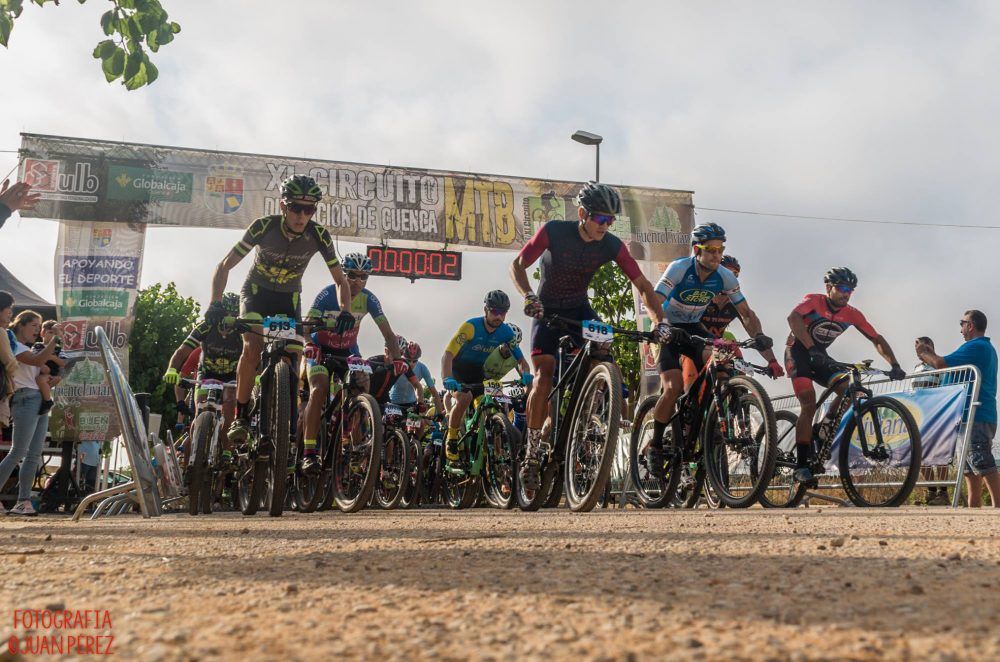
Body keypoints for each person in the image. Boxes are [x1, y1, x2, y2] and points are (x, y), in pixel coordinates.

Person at [509, 182, 669, 489]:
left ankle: (589, 407)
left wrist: (659, 322)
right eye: (601, 219)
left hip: (580, 310)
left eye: (612, 221)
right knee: (544, 376)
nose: (606, 226)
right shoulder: (555, 231)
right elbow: (517, 265)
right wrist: (529, 297)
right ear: (582, 214)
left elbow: (644, 286)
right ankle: (531, 451)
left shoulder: (610, 244)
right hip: (548, 310)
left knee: (605, 344)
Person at [208, 174, 353, 443]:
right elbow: (224, 265)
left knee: (295, 354)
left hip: (289, 300)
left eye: (308, 209)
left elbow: (340, 280)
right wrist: (215, 304)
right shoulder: (263, 227)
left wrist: (346, 309)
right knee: (252, 345)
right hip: (255, 294)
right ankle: (240, 416)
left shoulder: (318, 234)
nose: (301, 215)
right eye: (296, 207)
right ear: (283, 206)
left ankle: (285, 424)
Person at [646, 226, 783, 474]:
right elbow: (654, 299)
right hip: (668, 327)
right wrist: (660, 325)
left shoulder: (725, 277)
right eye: (711, 250)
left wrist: (760, 337)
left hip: (693, 328)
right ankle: (655, 444)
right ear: (697, 250)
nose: (717, 255)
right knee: (672, 387)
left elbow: (747, 314)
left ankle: (707, 418)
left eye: (721, 250)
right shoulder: (680, 268)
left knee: (722, 362)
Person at [786, 268, 906, 485]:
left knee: (849, 389)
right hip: (798, 353)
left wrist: (894, 364)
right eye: (841, 288)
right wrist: (811, 347)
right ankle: (801, 465)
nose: (846, 294)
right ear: (829, 288)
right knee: (809, 403)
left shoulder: (852, 314)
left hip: (819, 355)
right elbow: (793, 317)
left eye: (850, 290)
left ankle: (825, 426)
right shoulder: (814, 301)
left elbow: (876, 338)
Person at [300, 252, 407, 474]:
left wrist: (397, 360)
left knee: (362, 386)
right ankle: (309, 453)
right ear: (343, 274)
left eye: (363, 276)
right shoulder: (328, 294)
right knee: (319, 388)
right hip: (321, 348)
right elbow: (306, 326)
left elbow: (388, 333)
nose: (358, 281)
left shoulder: (369, 299)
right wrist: (309, 343)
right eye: (352, 275)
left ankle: (350, 437)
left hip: (348, 350)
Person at [916, 310, 999, 507]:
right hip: (968, 415)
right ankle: (973, 510)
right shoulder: (980, 347)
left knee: (982, 463)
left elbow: (940, 364)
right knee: (969, 469)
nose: (960, 328)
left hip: (976, 414)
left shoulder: (977, 346)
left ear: (970, 325)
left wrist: (924, 353)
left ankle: (998, 510)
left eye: (962, 323)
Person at [441, 291, 532, 465]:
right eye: (495, 312)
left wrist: (525, 374)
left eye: (503, 312)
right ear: (486, 310)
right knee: (465, 397)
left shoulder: (506, 332)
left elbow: (521, 361)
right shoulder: (470, 327)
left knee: (488, 404)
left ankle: (484, 446)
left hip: (477, 372)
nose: (499, 316)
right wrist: (447, 377)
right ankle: (451, 439)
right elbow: (447, 354)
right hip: (458, 370)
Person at [162, 293, 243, 464]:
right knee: (199, 413)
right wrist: (171, 369)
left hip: (231, 375)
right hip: (207, 373)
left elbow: (253, 356)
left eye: (234, 318)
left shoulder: (242, 331)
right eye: (225, 318)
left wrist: (256, 375)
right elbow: (181, 351)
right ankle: (190, 462)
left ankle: (226, 445)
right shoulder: (205, 326)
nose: (227, 325)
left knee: (229, 400)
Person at [0, 311, 60, 516]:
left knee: (33, 454)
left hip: (37, 398)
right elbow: (36, 362)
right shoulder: (13, 344)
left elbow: (41, 367)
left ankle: (23, 500)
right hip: (25, 398)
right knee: (18, 451)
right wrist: (55, 340)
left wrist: (53, 377)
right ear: (22, 325)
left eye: (39, 325)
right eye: (34, 325)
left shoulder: (30, 348)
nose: (37, 329)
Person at [912, 336, 949, 505]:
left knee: (940, 455)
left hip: (937, 415)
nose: (918, 349)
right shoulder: (915, 368)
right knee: (921, 454)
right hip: (920, 417)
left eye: (922, 346)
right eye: (916, 347)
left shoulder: (938, 364)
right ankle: (931, 491)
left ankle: (943, 492)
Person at [388, 339, 445, 419]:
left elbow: (434, 393)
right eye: (408, 360)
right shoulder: (398, 365)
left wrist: (439, 414)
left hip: (411, 403)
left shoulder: (422, 368)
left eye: (414, 361)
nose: (411, 364)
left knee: (420, 424)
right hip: (393, 402)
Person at [33, 320, 66, 415]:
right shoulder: (38, 346)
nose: (52, 336)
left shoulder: (58, 348)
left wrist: (52, 357)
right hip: (39, 372)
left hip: (52, 374)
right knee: (40, 380)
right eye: (50, 332)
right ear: (42, 333)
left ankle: (48, 401)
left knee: (41, 380)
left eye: (55, 333)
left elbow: (63, 363)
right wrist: (42, 364)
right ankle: (46, 400)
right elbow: (34, 358)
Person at [0, 291, 17, 430]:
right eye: (9, 308)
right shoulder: (1, 332)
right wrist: (12, 377)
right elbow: (9, 361)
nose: (10, 313)